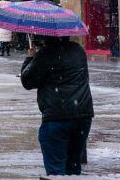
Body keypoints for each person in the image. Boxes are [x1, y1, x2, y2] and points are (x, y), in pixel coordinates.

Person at [20, 36, 94, 176]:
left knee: (56, 171)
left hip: (56, 117)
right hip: (82, 116)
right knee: (73, 168)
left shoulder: (46, 54)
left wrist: (30, 58)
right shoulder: (78, 50)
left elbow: (27, 81)